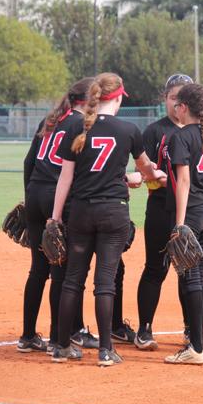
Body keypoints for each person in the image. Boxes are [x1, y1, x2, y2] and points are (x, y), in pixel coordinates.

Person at [50, 72, 165, 366]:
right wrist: (152, 176)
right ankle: (104, 350)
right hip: (113, 211)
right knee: (105, 282)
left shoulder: (78, 127)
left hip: (81, 212)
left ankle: (62, 346)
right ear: (117, 98)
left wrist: (54, 218)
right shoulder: (127, 129)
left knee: (73, 280)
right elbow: (146, 168)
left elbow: (66, 178)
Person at [17, 78, 93, 353]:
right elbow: (78, 170)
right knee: (60, 271)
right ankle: (55, 339)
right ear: (87, 101)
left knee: (38, 270)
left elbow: (28, 162)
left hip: (36, 193)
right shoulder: (79, 124)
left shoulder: (52, 120)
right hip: (56, 198)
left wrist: (29, 200)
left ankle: (27, 336)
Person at [134, 73, 195, 351]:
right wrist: (154, 178)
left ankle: (190, 327)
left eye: (182, 99)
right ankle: (144, 328)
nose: (177, 104)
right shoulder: (155, 132)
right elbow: (141, 172)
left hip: (190, 208)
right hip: (160, 206)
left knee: (189, 270)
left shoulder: (199, 132)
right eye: (172, 98)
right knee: (155, 269)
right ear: (165, 99)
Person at [163, 83, 203, 365]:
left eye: (177, 105)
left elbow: (183, 181)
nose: (175, 110)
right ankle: (199, 344)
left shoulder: (180, 136)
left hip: (193, 213)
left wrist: (180, 224)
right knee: (198, 276)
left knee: (192, 279)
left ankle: (197, 348)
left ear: (183, 108)